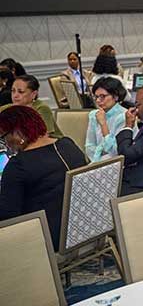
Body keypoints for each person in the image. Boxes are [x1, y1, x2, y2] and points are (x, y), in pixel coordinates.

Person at [0, 105, 87, 247]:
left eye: (4, 137)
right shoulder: (67, 144)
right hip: (82, 227)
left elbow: (8, 217)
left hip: (45, 239)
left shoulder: (18, 166)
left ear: (17, 134)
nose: (6, 144)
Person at [85, 77, 131, 162]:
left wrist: (103, 125)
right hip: (97, 161)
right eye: (96, 97)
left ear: (116, 97)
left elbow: (115, 152)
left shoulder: (125, 117)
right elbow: (89, 145)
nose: (98, 100)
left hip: (119, 163)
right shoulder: (94, 115)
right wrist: (98, 159)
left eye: (102, 96)